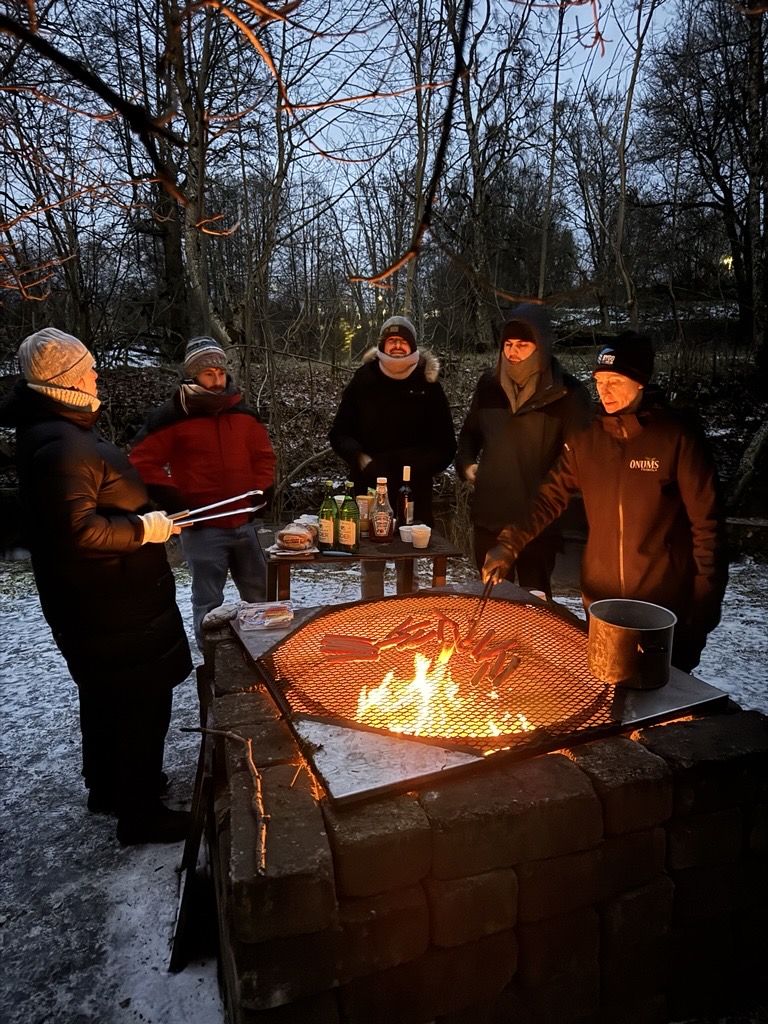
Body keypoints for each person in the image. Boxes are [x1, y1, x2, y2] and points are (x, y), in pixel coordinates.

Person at [0, 327, 193, 845]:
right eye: (86, 367)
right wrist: (145, 529)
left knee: (107, 695)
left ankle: (110, 788)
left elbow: (92, 502)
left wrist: (155, 501)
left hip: (103, 598)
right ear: (65, 379)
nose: (95, 372)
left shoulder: (58, 430)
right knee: (142, 702)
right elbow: (78, 532)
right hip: (110, 603)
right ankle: (142, 813)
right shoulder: (61, 443)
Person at [482, 331, 728, 673]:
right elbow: (547, 497)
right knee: (610, 704)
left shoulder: (677, 437)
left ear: (640, 383)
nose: (604, 390)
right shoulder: (588, 439)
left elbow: (708, 528)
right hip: (601, 605)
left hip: (663, 610)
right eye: (599, 380)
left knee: (661, 711)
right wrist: (509, 544)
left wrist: (701, 612)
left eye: (615, 380)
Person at [129, 336, 276, 648]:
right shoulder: (172, 415)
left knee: (262, 596)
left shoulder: (243, 412)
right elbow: (141, 461)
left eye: (221, 373)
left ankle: (268, 651)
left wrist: (263, 490)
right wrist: (174, 500)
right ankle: (212, 661)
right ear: (192, 375)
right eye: (209, 374)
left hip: (244, 523)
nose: (217, 380)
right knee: (209, 602)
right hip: (202, 528)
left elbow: (263, 457)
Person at [456, 303, 592, 598]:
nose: (512, 352)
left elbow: (575, 466)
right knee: (491, 603)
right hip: (488, 519)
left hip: (538, 528)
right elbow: (469, 436)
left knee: (533, 604)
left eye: (522, 344)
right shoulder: (489, 387)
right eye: (507, 344)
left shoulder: (568, 396)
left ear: (541, 346)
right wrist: (466, 464)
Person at [329, 315, 456, 526]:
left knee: (411, 553)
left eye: (403, 341)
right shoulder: (363, 379)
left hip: (413, 490)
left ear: (413, 346)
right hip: (367, 487)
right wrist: (360, 458)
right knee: (369, 551)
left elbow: (447, 446)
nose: (397, 345)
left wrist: (414, 464)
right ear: (382, 345)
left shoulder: (428, 384)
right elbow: (339, 432)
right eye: (391, 341)